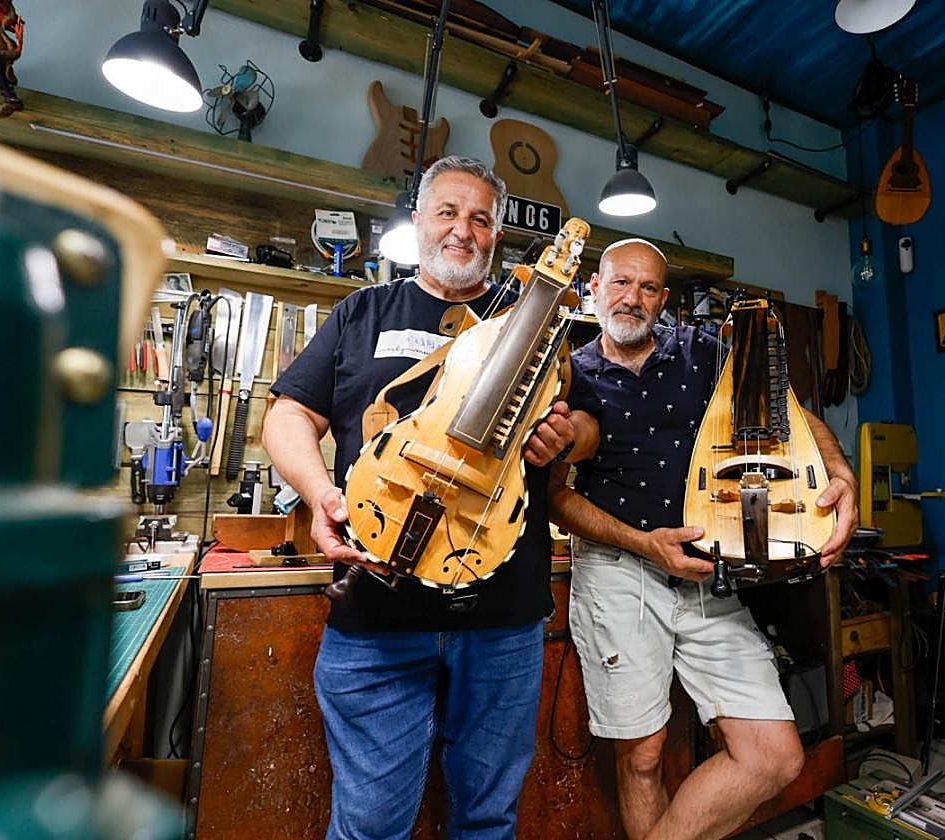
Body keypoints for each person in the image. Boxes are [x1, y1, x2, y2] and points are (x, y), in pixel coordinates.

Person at [263, 156, 597, 840]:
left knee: (487, 821)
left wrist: (564, 435)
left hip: (504, 620)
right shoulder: (363, 312)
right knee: (370, 824)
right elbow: (288, 414)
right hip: (378, 616)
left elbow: (589, 427)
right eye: (446, 211)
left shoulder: (535, 322)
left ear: (496, 237)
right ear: (416, 220)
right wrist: (321, 492)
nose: (461, 230)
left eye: (479, 218)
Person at [549, 238, 859, 840]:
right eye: (619, 283)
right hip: (619, 570)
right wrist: (642, 543)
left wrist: (842, 476)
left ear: (664, 298)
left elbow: (794, 414)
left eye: (646, 287)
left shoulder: (706, 353)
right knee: (641, 757)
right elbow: (555, 497)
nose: (631, 298)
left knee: (774, 755)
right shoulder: (572, 376)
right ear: (593, 288)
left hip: (709, 574)